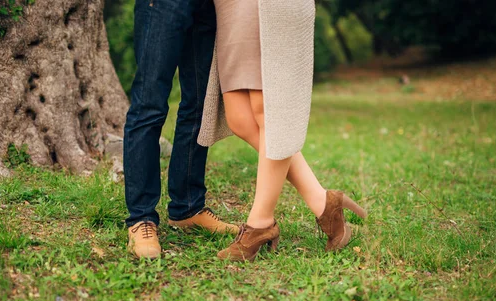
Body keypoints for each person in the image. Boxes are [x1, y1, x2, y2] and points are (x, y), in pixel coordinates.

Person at [198, 0, 367, 262]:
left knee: (267, 109)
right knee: (239, 119)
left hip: (267, 6)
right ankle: (324, 202)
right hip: (229, 7)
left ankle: (260, 223)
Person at [123, 0, 238, 259]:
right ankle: (141, 218)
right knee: (149, 103)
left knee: (199, 104)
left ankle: (188, 208)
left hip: (209, 5)